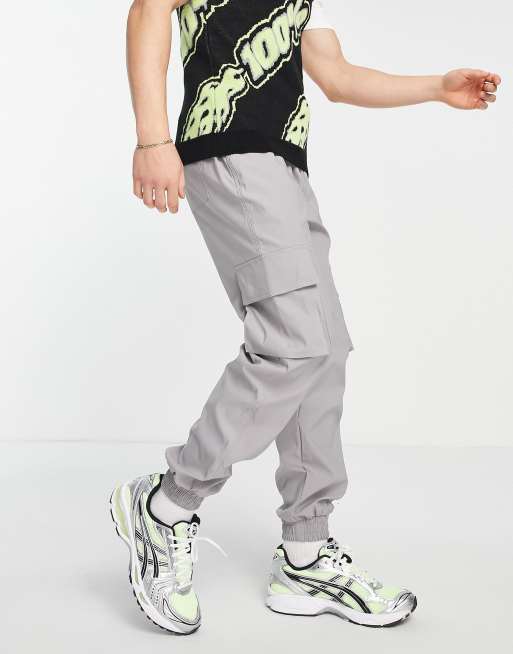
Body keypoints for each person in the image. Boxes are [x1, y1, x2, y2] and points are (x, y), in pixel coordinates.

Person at [110, 0, 501, 634]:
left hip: (286, 165)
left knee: (324, 351)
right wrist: (152, 138)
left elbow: (336, 76)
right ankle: (166, 504)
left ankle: (306, 554)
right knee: (293, 343)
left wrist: (436, 87)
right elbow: (149, 10)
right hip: (229, 148)